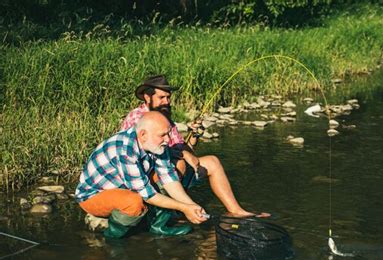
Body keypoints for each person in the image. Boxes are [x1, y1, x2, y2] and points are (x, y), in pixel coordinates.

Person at [121, 74, 269, 218]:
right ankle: (168, 214)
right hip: (145, 174)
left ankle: (236, 211)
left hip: (168, 170)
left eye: (168, 97)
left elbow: (184, 149)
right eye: (161, 97)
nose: (166, 101)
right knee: (180, 163)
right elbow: (152, 152)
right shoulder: (138, 117)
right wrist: (185, 155)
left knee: (212, 162)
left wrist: (194, 136)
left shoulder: (164, 117)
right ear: (147, 98)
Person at [75, 112, 208, 238]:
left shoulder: (155, 143)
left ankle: (157, 226)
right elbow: (148, 195)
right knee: (133, 202)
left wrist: (191, 205)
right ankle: (111, 238)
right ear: (143, 134)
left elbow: (169, 179)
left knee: (176, 167)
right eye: (163, 135)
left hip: (124, 185)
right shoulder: (126, 149)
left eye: (168, 133)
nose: (168, 140)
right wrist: (183, 208)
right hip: (93, 195)